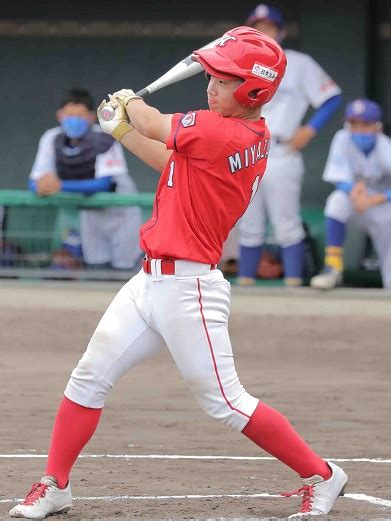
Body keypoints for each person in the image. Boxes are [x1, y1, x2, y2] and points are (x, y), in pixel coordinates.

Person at [10, 27, 347, 520]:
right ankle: (55, 484)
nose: (211, 85)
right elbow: (167, 158)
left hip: (190, 287)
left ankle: (322, 474)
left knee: (226, 403)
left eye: (225, 79)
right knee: (87, 379)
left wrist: (128, 105)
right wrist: (120, 129)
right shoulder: (229, 131)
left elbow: (154, 123)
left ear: (254, 90)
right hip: (148, 281)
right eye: (212, 75)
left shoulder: (224, 131)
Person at [237, 4, 342, 287]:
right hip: (245, 150)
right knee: (248, 224)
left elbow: (331, 97)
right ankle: (245, 287)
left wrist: (310, 129)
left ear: (280, 31)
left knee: (286, 223)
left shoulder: (299, 62)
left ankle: (293, 287)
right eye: (257, 27)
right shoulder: (238, 61)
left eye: (268, 27)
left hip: (282, 149)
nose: (263, 32)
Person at [28, 88, 142, 270]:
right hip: (90, 210)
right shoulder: (52, 138)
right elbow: (34, 180)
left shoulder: (105, 136)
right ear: (59, 115)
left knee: (125, 268)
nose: (74, 120)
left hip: (120, 210)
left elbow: (104, 184)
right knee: (96, 265)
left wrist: (59, 185)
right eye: (69, 114)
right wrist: (40, 185)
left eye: (80, 115)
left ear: (91, 117)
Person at [310, 98, 391, 290]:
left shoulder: (385, 146)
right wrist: (356, 191)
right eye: (354, 124)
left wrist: (374, 199)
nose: (359, 129)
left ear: (377, 126)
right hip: (356, 201)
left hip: (383, 206)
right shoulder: (342, 138)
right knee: (336, 201)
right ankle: (333, 266)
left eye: (366, 124)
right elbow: (339, 178)